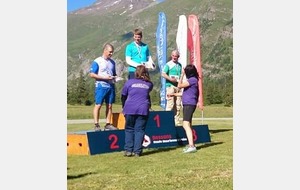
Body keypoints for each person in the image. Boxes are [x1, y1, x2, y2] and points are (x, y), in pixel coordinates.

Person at [121, 65, 153, 157]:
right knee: (139, 130)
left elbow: (123, 96)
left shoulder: (129, 82)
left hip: (129, 108)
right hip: (143, 109)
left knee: (129, 129)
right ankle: (137, 151)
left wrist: (124, 107)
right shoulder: (149, 84)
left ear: (136, 72)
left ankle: (128, 150)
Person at [168, 64, 199, 153]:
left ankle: (192, 146)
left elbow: (179, 85)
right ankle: (191, 144)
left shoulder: (192, 80)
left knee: (185, 124)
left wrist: (181, 75)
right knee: (189, 124)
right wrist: (173, 95)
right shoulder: (192, 81)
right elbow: (184, 93)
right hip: (188, 103)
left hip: (189, 104)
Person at [89, 43, 118, 131]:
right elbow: (92, 74)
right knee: (98, 105)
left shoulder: (112, 62)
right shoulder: (97, 61)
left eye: (112, 52)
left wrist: (116, 77)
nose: (111, 54)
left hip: (110, 86)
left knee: (109, 106)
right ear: (105, 50)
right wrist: (104, 78)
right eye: (110, 52)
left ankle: (108, 124)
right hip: (101, 86)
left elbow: (114, 74)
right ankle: (96, 124)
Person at [161, 49, 182, 126]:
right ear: (171, 55)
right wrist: (170, 79)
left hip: (177, 87)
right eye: (173, 56)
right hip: (170, 86)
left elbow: (180, 75)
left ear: (178, 57)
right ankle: (166, 121)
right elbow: (163, 74)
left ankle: (177, 121)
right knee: (170, 104)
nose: (174, 57)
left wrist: (180, 84)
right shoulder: (168, 64)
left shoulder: (179, 65)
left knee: (178, 104)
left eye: (176, 56)